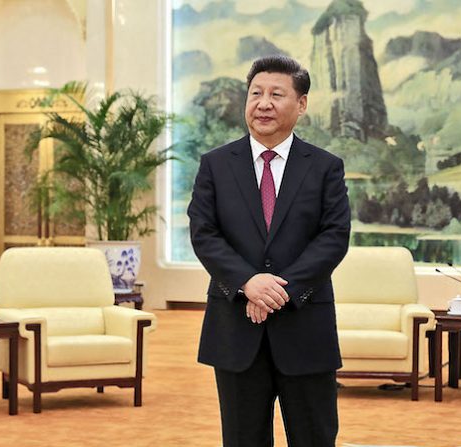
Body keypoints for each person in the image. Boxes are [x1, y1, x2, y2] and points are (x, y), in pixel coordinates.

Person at [187, 55, 351, 446]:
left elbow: (333, 236)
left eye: (277, 94)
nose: (264, 103)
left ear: (302, 104)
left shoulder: (325, 167)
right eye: (256, 93)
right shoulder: (215, 165)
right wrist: (247, 282)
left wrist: (279, 290)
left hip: (304, 327)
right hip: (236, 329)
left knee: (314, 437)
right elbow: (204, 233)